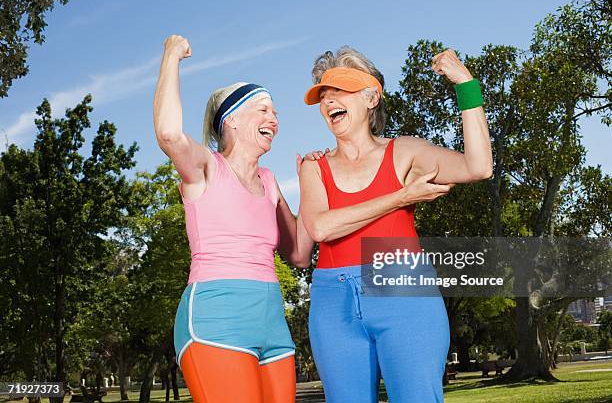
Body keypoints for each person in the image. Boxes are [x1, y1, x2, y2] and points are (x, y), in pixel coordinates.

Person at [299, 46, 493, 402]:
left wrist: (466, 85)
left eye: (339, 92)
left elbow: (478, 166)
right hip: (333, 299)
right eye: (323, 96)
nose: (328, 103)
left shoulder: (403, 152)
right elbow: (321, 229)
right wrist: (400, 197)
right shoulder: (314, 167)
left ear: (371, 97)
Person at [153, 35, 314, 403]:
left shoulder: (270, 181)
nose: (274, 119)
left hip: (272, 327)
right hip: (216, 322)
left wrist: (311, 185)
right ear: (232, 120)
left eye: (275, 113)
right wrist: (172, 55)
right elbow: (168, 134)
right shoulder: (207, 167)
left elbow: (301, 254)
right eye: (263, 110)